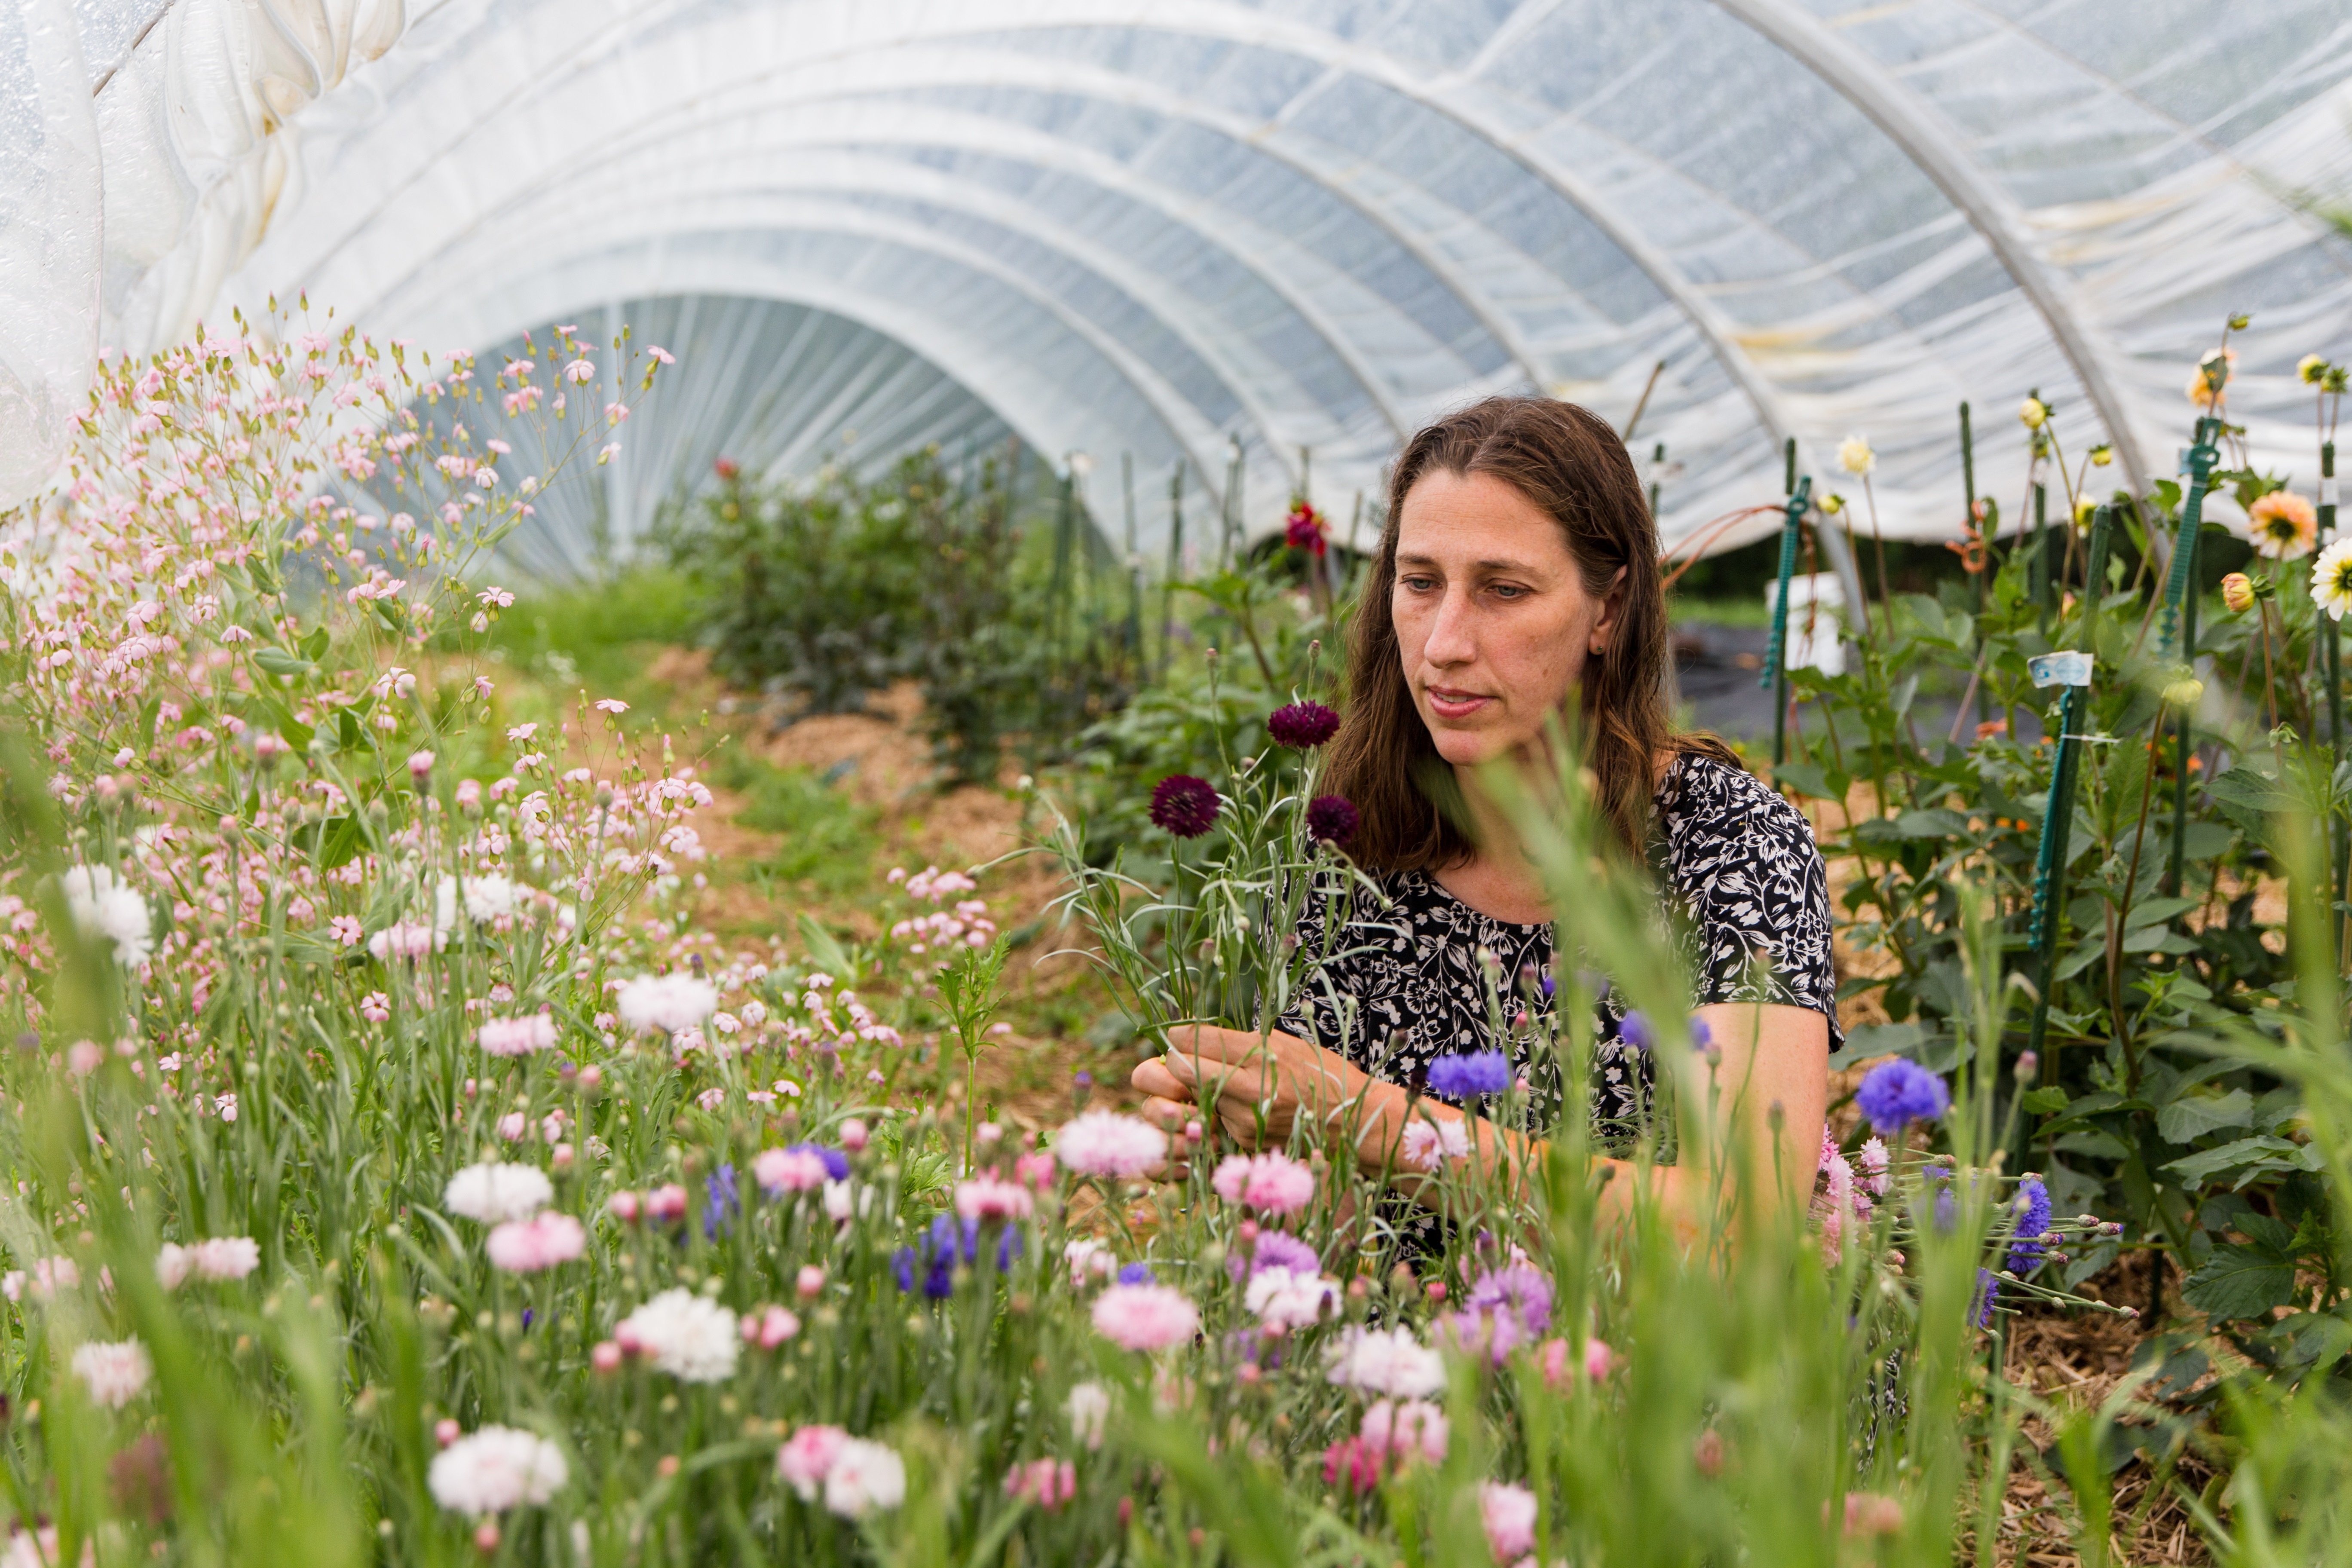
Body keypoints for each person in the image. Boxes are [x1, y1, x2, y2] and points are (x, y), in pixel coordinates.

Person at [1132, 396, 1838, 1235]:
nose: (1444, 643)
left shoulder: (1727, 845)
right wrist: (1234, 1125)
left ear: (1607, 611)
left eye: (1504, 590)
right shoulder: (1345, 842)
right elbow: (1327, 1188)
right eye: (1421, 582)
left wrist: (1374, 1124)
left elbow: (1744, 1229)